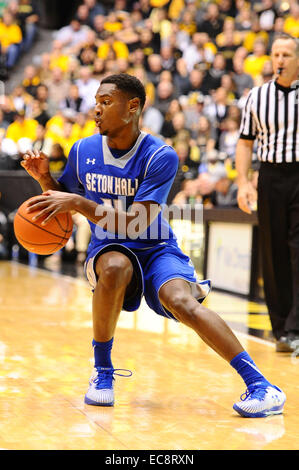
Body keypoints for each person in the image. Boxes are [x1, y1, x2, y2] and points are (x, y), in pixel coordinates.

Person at [21, 73, 285, 418]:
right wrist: (45, 179)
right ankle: (102, 372)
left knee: (180, 300)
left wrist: (79, 204)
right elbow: (65, 196)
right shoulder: (83, 149)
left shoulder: (161, 155)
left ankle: (261, 385)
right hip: (109, 248)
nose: (96, 111)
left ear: (133, 107)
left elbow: (135, 223)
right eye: (95, 103)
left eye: (105, 102)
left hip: (157, 245)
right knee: (116, 267)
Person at [235, 33, 299, 353]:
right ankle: (281, 331)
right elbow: (245, 143)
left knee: (298, 250)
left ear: (297, 60)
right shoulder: (256, 97)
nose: (280, 60)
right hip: (270, 177)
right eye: (276, 54)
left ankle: (295, 326)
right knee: (273, 254)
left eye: (287, 55)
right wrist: (243, 183)